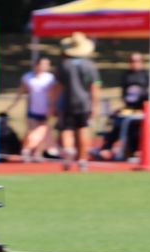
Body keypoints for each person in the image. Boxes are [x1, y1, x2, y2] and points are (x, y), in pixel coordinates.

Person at [49, 32, 101, 172]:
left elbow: (58, 87)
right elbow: (94, 87)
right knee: (83, 129)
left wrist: (53, 104)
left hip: (67, 102)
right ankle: (82, 160)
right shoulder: (90, 65)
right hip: (84, 102)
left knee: (66, 130)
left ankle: (68, 153)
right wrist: (95, 105)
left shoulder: (63, 65)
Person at [98, 52, 150, 160]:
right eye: (131, 61)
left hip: (142, 109)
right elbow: (124, 94)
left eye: (136, 61)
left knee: (135, 127)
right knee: (119, 124)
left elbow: (148, 94)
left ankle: (134, 150)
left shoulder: (146, 74)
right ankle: (108, 147)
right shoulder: (127, 75)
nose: (134, 63)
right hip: (129, 109)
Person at [4, 57, 57, 161]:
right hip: (32, 109)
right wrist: (12, 105)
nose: (45, 66)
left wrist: (52, 107)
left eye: (47, 64)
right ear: (36, 65)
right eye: (43, 64)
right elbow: (21, 91)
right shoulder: (28, 77)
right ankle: (26, 150)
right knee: (31, 132)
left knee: (42, 133)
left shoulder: (50, 78)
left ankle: (38, 153)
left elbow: (53, 94)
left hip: (45, 109)